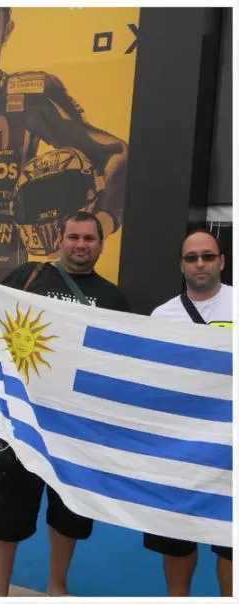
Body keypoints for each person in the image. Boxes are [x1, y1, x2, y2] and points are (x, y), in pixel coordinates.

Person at [0, 211, 130, 596]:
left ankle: (57, 585)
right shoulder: (28, 277)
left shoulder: (113, 298)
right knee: (4, 510)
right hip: (21, 419)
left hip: (76, 427)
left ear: (101, 245)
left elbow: (119, 365)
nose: (80, 245)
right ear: (60, 240)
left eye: (89, 239)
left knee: (68, 512)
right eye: (73, 236)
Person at [0, 6, 130, 312]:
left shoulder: (32, 93)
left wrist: (102, 221)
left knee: (3, 360)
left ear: (7, 30)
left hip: (13, 279)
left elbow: (114, 152)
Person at [144, 229, 232, 597]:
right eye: (192, 257)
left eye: (207, 257)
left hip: (231, 453)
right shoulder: (161, 316)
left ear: (221, 262)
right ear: (181, 265)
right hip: (179, 452)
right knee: (177, 540)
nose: (200, 263)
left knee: (231, 541)